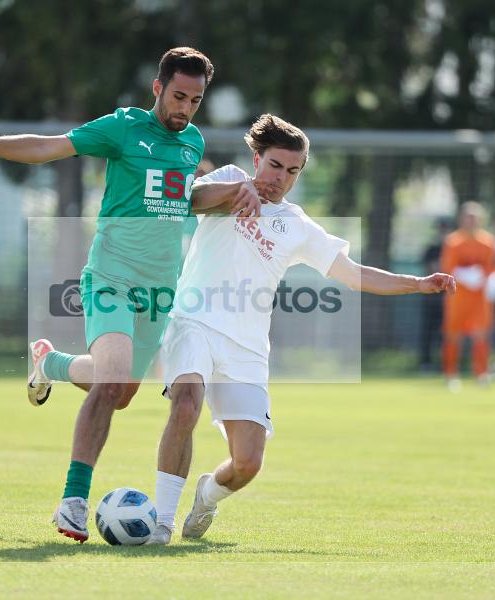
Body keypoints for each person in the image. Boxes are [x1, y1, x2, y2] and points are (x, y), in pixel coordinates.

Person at [0, 47, 259, 543]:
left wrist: (236, 194)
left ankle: (51, 364)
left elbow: (186, 200)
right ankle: (73, 500)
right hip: (111, 276)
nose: (185, 109)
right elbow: (49, 147)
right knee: (111, 383)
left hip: (159, 291)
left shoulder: (191, 142)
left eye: (195, 100)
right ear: (157, 88)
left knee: (123, 393)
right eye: (178, 96)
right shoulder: (123, 127)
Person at [141, 114, 455, 544]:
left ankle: (207, 495)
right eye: (274, 166)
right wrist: (239, 191)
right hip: (193, 320)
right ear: (257, 158)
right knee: (186, 404)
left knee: (247, 464)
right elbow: (190, 199)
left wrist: (417, 284)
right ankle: (161, 522)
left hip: (246, 347)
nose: (281, 178)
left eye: (292, 171)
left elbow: (354, 273)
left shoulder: (297, 225)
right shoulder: (231, 180)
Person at [440, 202, 495, 389]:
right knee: (453, 335)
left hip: (480, 297)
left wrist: (485, 277)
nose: (471, 221)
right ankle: (450, 375)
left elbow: (492, 267)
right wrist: (465, 275)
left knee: (481, 334)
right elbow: (448, 268)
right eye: (468, 217)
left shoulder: (488, 242)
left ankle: (481, 373)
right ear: (461, 219)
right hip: (458, 296)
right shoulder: (453, 242)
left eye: (475, 217)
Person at [419, 218, 452, 370]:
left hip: (450, 297)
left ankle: (445, 363)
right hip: (432, 297)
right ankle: (426, 363)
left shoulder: (454, 248)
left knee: (447, 332)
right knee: (428, 331)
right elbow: (432, 269)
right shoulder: (432, 248)